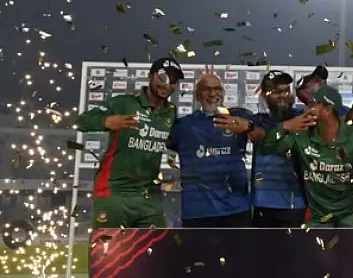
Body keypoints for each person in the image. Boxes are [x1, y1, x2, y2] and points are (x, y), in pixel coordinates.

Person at [74, 57, 183, 228]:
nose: (167, 83)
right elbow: (81, 121)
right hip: (114, 193)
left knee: (158, 252)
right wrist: (107, 121)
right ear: (150, 76)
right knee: (108, 253)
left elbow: (177, 142)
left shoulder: (171, 113)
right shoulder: (124, 103)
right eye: (163, 77)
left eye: (173, 80)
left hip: (149, 197)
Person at [260, 84, 353, 227]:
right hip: (317, 218)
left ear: (328, 109)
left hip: (350, 215)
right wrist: (284, 126)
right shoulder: (301, 135)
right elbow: (267, 148)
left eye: (311, 105)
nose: (306, 109)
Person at [168, 68, 258, 227]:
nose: (212, 94)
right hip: (197, 211)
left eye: (217, 89)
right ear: (197, 95)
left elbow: (265, 136)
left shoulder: (241, 118)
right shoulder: (183, 126)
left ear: (223, 93)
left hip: (236, 210)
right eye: (206, 90)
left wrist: (249, 127)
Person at [249, 70, 307, 227]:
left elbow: (337, 116)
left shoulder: (303, 116)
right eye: (276, 92)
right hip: (263, 204)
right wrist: (286, 127)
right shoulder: (257, 121)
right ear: (264, 96)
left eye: (286, 90)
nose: (282, 95)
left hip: (296, 203)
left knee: (294, 251)